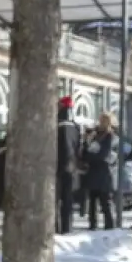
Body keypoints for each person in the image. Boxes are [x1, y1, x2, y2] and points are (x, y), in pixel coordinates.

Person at [82, 112, 122, 229]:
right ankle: (93, 225)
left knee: (106, 202)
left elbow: (104, 155)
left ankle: (109, 226)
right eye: (101, 120)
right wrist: (86, 142)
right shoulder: (94, 135)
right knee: (93, 201)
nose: (101, 123)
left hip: (105, 173)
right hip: (94, 172)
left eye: (104, 121)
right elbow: (85, 153)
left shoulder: (112, 137)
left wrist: (91, 156)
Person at [55, 98, 82, 234]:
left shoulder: (57, 125)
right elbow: (79, 148)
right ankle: (67, 227)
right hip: (72, 168)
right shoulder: (76, 127)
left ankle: (55, 227)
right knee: (67, 201)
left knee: (55, 200)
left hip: (57, 166)